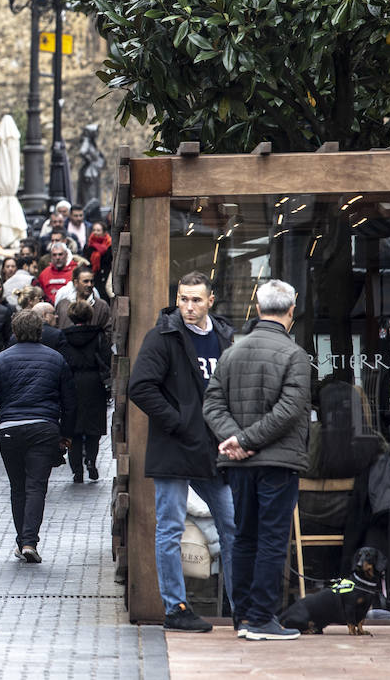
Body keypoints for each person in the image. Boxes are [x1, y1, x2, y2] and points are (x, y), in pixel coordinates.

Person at [127, 270, 237, 634]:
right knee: (170, 527)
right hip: (175, 445)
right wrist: (178, 421)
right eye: (183, 299)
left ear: (210, 301)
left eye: (195, 299)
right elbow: (140, 387)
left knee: (232, 524)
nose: (188, 306)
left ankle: (242, 606)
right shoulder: (163, 335)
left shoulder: (223, 336)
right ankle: (176, 606)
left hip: (214, 446)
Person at [203, 279, 311, 642]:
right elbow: (291, 410)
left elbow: (212, 404)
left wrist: (235, 440)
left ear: (258, 307)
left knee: (244, 538)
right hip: (277, 462)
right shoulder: (294, 354)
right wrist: (246, 440)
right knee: (272, 539)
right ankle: (262, 618)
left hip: (238, 463)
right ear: (291, 311)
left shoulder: (232, 352)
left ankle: (244, 617)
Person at [0, 310, 75, 563]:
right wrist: (66, 433)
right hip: (44, 428)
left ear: (14, 330)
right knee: (36, 487)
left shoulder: (1, 359)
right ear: (40, 331)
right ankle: (29, 541)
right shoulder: (56, 359)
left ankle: (22, 540)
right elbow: (70, 401)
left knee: (18, 487)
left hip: (10, 428)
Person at [57, 300, 111, 484]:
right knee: (93, 428)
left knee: (74, 428)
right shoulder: (98, 335)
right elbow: (106, 357)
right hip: (94, 383)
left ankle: (77, 470)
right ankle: (91, 461)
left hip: (72, 382)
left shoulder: (64, 336)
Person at [56, 268, 113, 345]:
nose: (89, 285)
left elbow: (109, 332)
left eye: (92, 281)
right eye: (85, 281)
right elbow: (56, 329)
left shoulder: (102, 306)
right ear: (76, 283)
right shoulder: (63, 305)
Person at [84, 222, 113, 301]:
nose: (95, 232)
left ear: (104, 232)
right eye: (94, 230)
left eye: (98, 230)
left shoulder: (110, 245)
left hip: (106, 276)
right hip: (94, 276)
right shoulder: (88, 245)